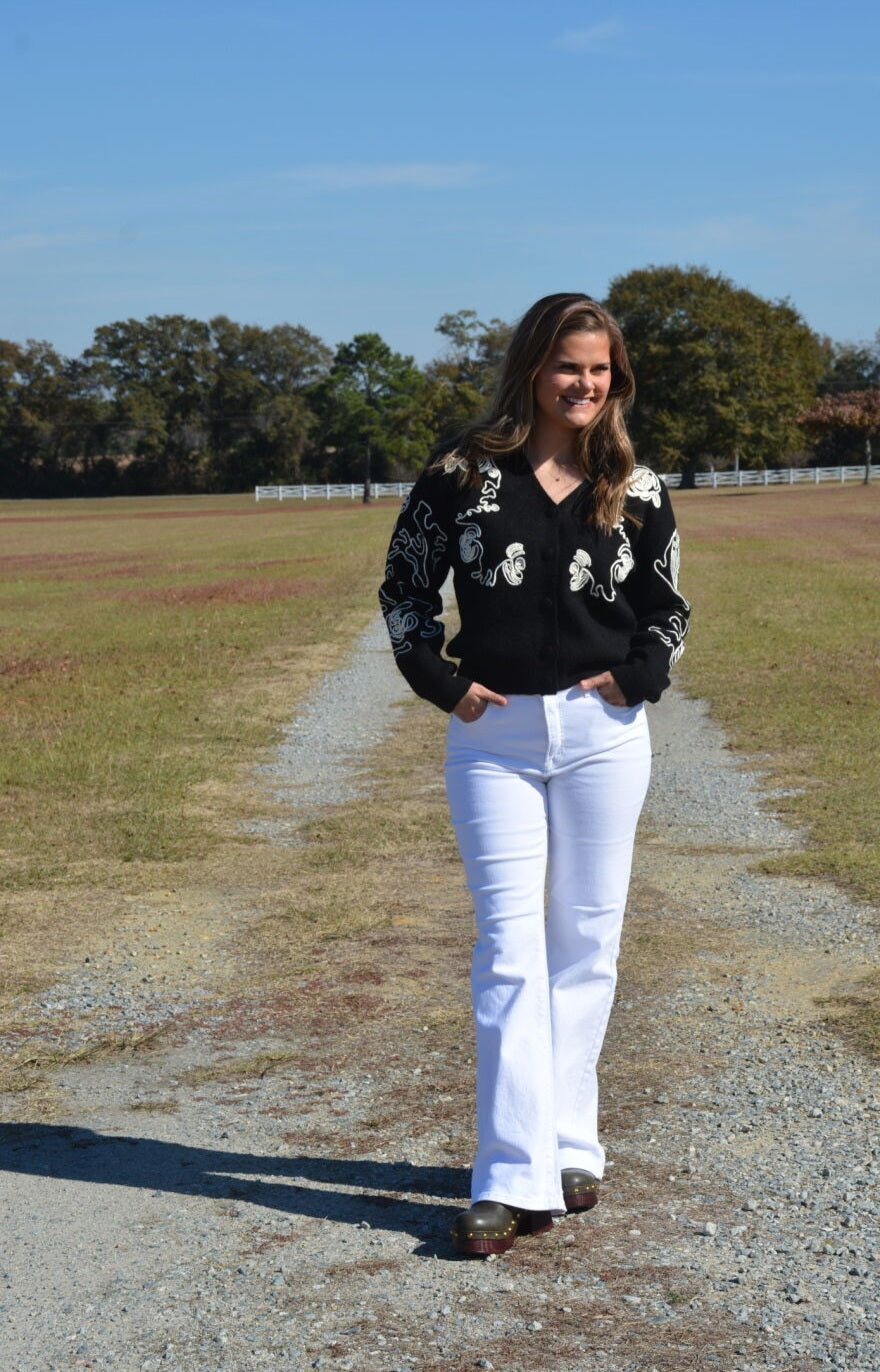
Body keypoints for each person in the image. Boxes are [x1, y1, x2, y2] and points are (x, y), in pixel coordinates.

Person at [378, 293, 689, 1256]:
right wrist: (445, 683)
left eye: (599, 369)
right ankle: (508, 1176)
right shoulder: (462, 474)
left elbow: (668, 611)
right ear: (531, 370)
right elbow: (404, 588)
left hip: (601, 737)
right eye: (568, 367)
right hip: (495, 740)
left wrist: (633, 681)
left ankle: (569, 1140)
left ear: (616, 377)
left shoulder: (635, 485)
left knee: (587, 945)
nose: (584, 384)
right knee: (508, 952)